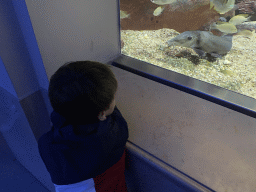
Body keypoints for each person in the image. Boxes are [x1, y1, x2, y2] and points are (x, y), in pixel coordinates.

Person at [38, 61, 129, 192]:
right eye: (113, 97)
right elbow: (118, 120)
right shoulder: (113, 134)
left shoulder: (46, 144)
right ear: (102, 114)